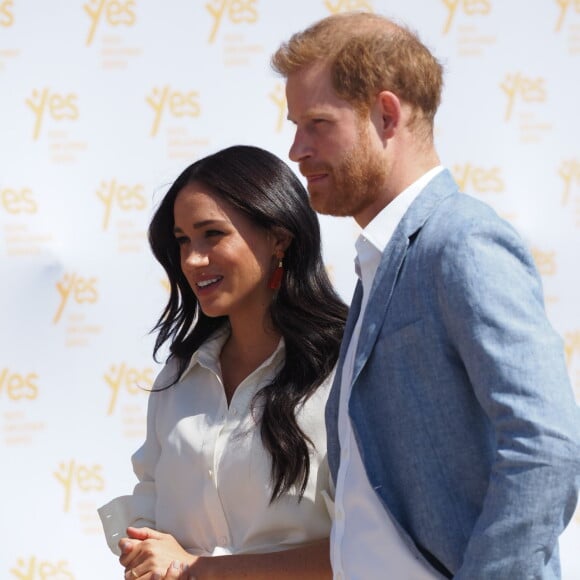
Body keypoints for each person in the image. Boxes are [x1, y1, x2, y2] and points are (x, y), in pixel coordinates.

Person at [271, 11, 580, 580]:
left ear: (385, 115)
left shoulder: (461, 241)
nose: (296, 149)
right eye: (296, 125)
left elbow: (547, 446)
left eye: (316, 123)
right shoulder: (380, 259)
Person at [98, 145, 347, 579]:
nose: (193, 259)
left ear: (279, 238)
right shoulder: (178, 377)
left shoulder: (341, 373)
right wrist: (143, 547)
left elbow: (369, 547)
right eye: (181, 241)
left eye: (212, 234)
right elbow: (151, 508)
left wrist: (203, 569)